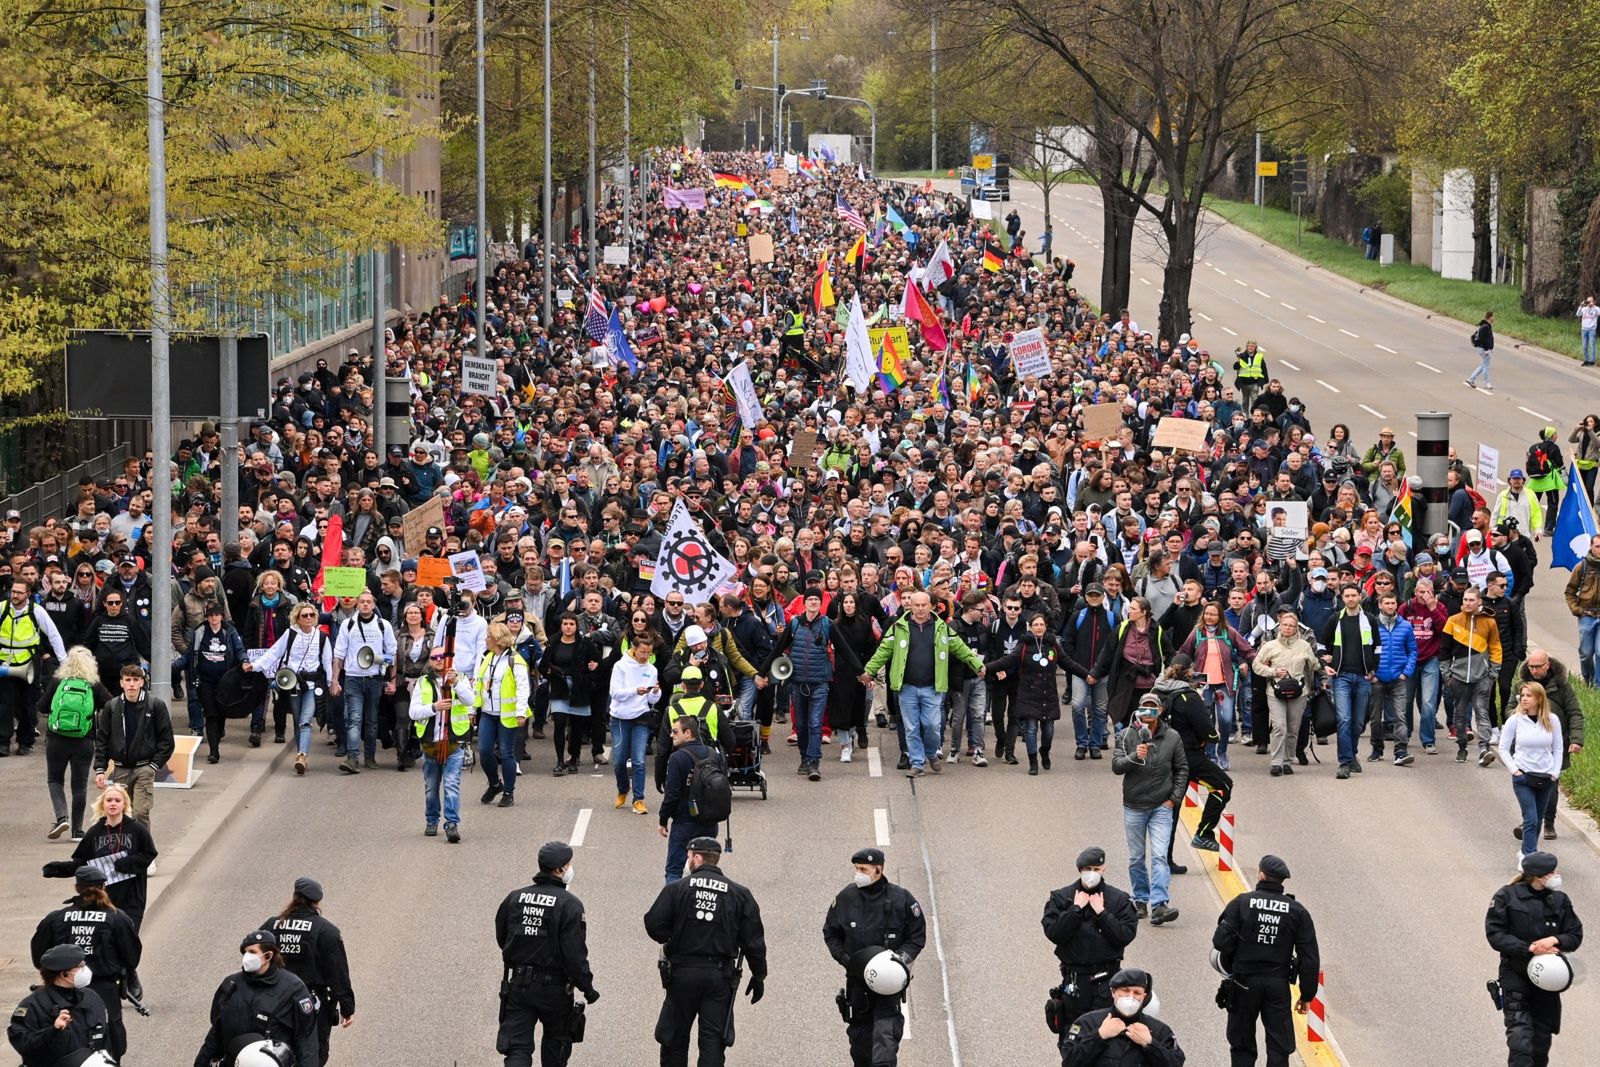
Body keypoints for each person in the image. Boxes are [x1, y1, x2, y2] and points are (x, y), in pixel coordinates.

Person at [644, 835, 768, 1067]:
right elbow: (754, 942)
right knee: (712, 1042)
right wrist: (759, 975)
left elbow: (654, 926)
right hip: (718, 978)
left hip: (682, 975)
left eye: (689, 857)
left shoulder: (676, 889)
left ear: (697, 858)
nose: (687, 861)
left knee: (674, 1038)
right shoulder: (739, 894)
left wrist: (676, 932)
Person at [494, 841, 599, 1067]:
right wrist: (587, 988)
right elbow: (574, 955)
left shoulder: (515, 898)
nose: (570, 869)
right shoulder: (570, 905)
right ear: (560, 870)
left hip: (519, 985)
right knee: (556, 1048)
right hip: (555, 991)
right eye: (568, 865)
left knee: (517, 1049)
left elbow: (503, 937)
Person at [862, 590, 986, 778]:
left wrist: (976, 664)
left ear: (931, 606)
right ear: (909, 606)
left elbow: (960, 648)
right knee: (911, 728)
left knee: (932, 725)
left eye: (924, 605)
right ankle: (917, 763)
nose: (920, 608)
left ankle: (931, 752)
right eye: (916, 605)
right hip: (907, 688)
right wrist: (869, 671)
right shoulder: (899, 627)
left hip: (932, 688)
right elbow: (883, 651)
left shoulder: (941, 628)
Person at [1212, 854, 1320, 1067]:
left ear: (1260, 875)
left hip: (1243, 983)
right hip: (1277, 986)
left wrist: (1241, 953)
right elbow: (1309, 958)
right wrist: (1307, 995)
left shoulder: (1242, 903)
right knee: (1279, 1046)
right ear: (1281, 881)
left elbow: (1220, 941)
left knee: (1242, 1044)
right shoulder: (1297, 911)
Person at [823, 846, 926, 1067]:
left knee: (885, 1049)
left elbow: (916, 937)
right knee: (861, 1049)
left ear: (878, 870)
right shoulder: (846, 898)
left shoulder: (902, 900)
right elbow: (830, 933)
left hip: (887, 988)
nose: (858, 873)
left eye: (863, 869)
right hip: (858, 986)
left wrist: (900, 961)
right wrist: (846, 960)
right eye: (856, 868)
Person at [30, 866, 140, 1062]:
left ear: (77, 888)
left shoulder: (56, 918)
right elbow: (132, 957)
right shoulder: (117, 918)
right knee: (109, 1044)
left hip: (61, 991)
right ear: (104, 887)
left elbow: (39, 957)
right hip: (104, 991)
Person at [1484, 851, 1583, 1067]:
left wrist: (1554, 939)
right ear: (1538, 876)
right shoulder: (1506, 896)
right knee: (1520, 1042)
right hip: (1516, 975)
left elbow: (1575, 935)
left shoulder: (1560, 900)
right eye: (1552, 872)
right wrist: (1528, 948)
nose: (1556, 875)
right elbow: (1495, 935)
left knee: (1540, 1043)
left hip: (1547, 982)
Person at [762, 589, 865, 782]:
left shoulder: (828, 625)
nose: (813, 603)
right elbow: (777, 650)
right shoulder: (793, 624)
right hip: (797, 682)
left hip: (819, 683)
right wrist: (760, 673)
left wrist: (861, 672)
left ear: (820, 603)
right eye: (809, 599)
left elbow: (845, 650)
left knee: (815, 724)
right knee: (800, 725)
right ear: (804, 602)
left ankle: (813, 762)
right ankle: (804, 757)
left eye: (816, 599)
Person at [1043, 846, 1140, 1041]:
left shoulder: (1119, 900)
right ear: (1080, 870)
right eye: (1088, 869)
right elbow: (1054, 933)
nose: (1092, 874)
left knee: (1108, 1038)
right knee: (1073, 1039)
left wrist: (1102, 914)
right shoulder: (1062, 898)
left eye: (1097, 869)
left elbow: (1124, 936)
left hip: (1107, 983)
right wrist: (1075, 910)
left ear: (1104, 869)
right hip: (1075, 982)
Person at [261, 877, 355, 1066]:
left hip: (273, 1001)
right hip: (311, 1005)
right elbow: (337, 971)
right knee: (312, 1054)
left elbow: (255, 957)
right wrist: (347, 1007)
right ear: (317, 902)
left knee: (271, 1054)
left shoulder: (272, 926)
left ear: (294, 897)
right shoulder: (326, 931)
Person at [193, 929, 319, 1067]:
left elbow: (306, 1040)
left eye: (252, 952)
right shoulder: (231, 984)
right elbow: (217, 1032)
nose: (247, 956)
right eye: (245, 952)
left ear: (268, 956)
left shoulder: (293, 988)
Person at [1111, 694, 1185, 925]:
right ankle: (1141, 900)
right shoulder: (1126, 735)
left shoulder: (1172, 737)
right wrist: (1135, 756)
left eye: (1153, 708)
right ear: (1138, 710)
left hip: (1161, 806)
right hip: (1133, 806)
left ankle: (1160, 905)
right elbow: (1116, 766)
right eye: (1144, 708)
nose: (1148, 712)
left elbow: (1182, 769)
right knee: (1136, 858)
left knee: (1160, 856)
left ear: (1160, 711)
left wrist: (1173, 799)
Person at [1154, 654, 1232, 852]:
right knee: (1223, 786)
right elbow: (1208, 730)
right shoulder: (1189, 697)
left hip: (1160, 755)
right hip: (1188, 755)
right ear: (1190, 671)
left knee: (1172, 808)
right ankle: (1204, 833)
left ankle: (1165, 858)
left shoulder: (1156, 691)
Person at [246, 601, 332, 775]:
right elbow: (274, 653)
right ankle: (303, 755)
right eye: (304, 615)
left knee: (306, 721)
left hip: (312, 684)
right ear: (297, 618)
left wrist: (331, 684)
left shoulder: (322, 637)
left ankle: (302, 755)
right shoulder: (290, 633)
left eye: (311, 615)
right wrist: (255, 666)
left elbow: (327, 662)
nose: (308, 618)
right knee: (298, 721)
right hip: (292, 683)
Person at [35, 646, 113, 839]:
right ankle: (77, 831)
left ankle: (62, 817)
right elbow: (111, 705)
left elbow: (42, 707)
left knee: (55, 780)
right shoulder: (94, 684)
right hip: (84, 741)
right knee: (79, 786)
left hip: (56, 739)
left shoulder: (58, 681)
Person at [91, 663, 175, 827]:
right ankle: (124, 849)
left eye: (135, 680)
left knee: (140, 813)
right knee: (120, 814)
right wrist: (100, 769)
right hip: (121, 769)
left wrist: (153, 766)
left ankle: (144, 851)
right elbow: (103, 740)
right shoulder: (112, 706)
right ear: (121, 683)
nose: (131, 684)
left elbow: (166, 740)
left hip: (145, 767)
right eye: (127, 680)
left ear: (142, 682)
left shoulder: (155, 705)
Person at [985, 609, 1065, 774]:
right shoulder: (1023, 645)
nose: (1038, 627)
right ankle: (1033, 761)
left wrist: (1088, 674)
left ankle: (1044, 751)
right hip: (1028, 694)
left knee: (1048, 732)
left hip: (1048, 694)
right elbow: (1006, 661)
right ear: (1030, 627)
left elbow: (1068, 663)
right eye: (1035, 625)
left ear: (1046, 626)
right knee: (1030, 730)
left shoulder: (1053, 645)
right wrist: (984, 668)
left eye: (1041, 624)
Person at [1515, 651, 1584, 840]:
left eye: (1538, 666)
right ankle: (1530, 820)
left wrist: (1577, 739)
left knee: (1550, 785)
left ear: (1548, 665)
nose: (1534, 670)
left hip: (1555, 744)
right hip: (1527, 746)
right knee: (1525, 784)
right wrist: (1517, 718)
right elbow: (1508, 709)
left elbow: (1574, 713)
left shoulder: (1562, 687)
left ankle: (1549, 822)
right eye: (1531, 667)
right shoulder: (1521, 687)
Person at [7, 944, 111, 1067]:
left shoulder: (91, 998)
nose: (85, 969)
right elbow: (24, 1045)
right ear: (63, 974)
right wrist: (53, 1030)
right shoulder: (33, 1005)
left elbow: (106, 1040)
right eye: (80, 966)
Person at [1057, 967, 1185, 1066]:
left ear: (1144, 997)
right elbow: (1069, 1061)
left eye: (1137, 993)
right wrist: (1099, 1036)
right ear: (1113, 992)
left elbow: (1176, 1063)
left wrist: (1150, 1044)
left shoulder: (1158, 1030)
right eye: (1125, 990)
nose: (1131, 997)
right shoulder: (1088, 1022)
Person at [408, 645, 472, 842]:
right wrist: (434, 707)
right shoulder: (422, 682)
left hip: (454, 743)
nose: (439, 660)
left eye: (443, 656)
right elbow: (413, 712)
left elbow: (470, 700)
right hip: (431, 745)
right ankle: (432, 819)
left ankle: (452, 823)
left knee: (452, 784)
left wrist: (456, 684)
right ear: (430, 660)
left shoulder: (460, 678)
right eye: (435, 657)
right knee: (431, 786)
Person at [0, 574, 68, 757]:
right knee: (4, 704)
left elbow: (54, 635)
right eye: (13, 591)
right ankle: (3, 742)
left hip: (29, 663)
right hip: (4, 663)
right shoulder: (2, 608)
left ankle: (25, 742)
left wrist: (64, 662)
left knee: (28, 704)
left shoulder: (37, 611)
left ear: (28, 594)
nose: (15, 595)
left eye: (19, 593)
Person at [330, 589, 396, 773]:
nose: (365, 604)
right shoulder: (347, 624)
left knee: (372, 720)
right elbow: (338, 654)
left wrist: (392, 680)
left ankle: (369, 756)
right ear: (357, 604)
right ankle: (352, 759)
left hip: (375, 679)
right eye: (362, 602)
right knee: (354, 719)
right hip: (353, 678)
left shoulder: (383, 625)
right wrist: (335, 680)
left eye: (369, 601)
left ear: (374, 605)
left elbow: (392, 653)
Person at [1499, 682, 1566, 858]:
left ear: (1539, 698)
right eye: (1523, 695)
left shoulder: (1553, 720)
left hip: (1546, 776)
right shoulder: (1515, 720)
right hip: (1523, 777)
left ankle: (1526, 853)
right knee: (1530, 819)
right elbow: (1503, 748)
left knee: (1538, 819)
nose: (1524, 699)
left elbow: (1558, 748)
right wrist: (1515, 770)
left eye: (1529, 695)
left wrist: (1555, 772)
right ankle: (1530, 857)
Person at [1250, 609, 1319, 776]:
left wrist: (1321, 664)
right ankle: (1276, 763)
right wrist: (1273, 672)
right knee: (1279, 727)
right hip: (1275, 692)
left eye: (1291, 626)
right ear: (1280, 626)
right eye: (1285, 625)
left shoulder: (1304, 645)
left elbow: (1314, 665)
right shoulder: (1270, 645)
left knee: (1293, 728)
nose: (1288, 628)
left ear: (1297, 628)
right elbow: (1256, 665)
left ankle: (1288, 761)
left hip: (1299, 692)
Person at [1319, 583, 1377, 780]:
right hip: (1341, 676)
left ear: (1360, 597)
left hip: (1363, 677)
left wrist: (1373, 669)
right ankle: (1344, 762)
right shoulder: (1335, 619)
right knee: (1344, 719)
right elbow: (1321, 644)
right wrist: (1324, 662)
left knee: (1358, 722)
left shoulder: (1369, 620)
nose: (1351, 599)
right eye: (1347, 596)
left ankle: (1352, 755)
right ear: (1342, 598)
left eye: (1354, 595)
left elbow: (1377, 646)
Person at [658, 715, 724, 884]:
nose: (671, 735)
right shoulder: (712, 754)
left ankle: (674, 907)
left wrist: (663, 819)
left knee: (674, 869)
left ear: (688, 733)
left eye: (675, 731)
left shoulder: (677, 758)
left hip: (684, 822)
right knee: (704, 870)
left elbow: (671, 795)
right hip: (709, 822)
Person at [1442, 586, 1503, 766]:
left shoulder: (1489, 622)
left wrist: (1492, 674)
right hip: (1458, 677)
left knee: (1481, 711)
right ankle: (1462, 746)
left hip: (1482, 677)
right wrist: (1447, 675)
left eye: (1471, 600)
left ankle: (1484, 748)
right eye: (1465, 600)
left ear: (1479, 602)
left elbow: (1495, 648)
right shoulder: (1453, 621)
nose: (1467, 603)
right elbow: (1444, 650)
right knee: (1460, 714)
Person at [476, 621, 532, 808]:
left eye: (489, 637)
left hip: (507, 714)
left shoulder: (514, 660)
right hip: (488, 712)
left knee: (507, 753)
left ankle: (509, 791)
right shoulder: (488, 657)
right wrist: (471, 709)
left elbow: (523, 688)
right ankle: (494, 784)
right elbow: (479, 684)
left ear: (498, 640)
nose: (486, 640)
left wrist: (521, 712)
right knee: (484, 751)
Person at [188, 601, 247, 763]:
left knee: (221, 713)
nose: (214, 618)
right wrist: (174, 668)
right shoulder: (200, 631)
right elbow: (190, 654)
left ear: (221, 615)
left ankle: (218, 736)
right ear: (206, 617)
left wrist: (244, 662)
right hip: (205, 680)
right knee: (211, 714)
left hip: (225, 681)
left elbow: (239, 650)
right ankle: (214, 751)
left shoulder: (229, 631)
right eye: (211, 615)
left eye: (217, 614)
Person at [611, 630, 661, 814]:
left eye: (649, 653)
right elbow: (615, 693)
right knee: (619, 761)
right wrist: (635, 691)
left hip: (641, 716)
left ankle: (638, 799)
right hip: (620, 718)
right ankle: (623, 789)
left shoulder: (652, 669)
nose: (646, 656)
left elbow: (653, 700)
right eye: (643, 652)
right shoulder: (620, 666)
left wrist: (654, 692)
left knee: (639, 760)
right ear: (634, 649)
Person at [1369, 591, 1417, 766]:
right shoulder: (1372, 624)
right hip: (1377, 678)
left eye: (1393, 603)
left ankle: (1401, 750)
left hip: (1398, 677)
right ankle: (1376, 748)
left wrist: (1406, 672)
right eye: (1387, 603)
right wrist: (1371, 673)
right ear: (1380, 605)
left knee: (1400, 715)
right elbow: (1367, 648)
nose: (1390, 606)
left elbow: (1412, 651)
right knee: (1375, 717)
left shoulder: (1405, 626)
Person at [1562, 533, 1600, 686]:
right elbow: (1570, 592)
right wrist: (1576, 610)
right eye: (1598, 546)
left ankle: (1597, 686)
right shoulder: (1582, 567)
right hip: (1586, 615)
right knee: (1586, 653)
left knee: (1599, 652)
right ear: (1591, 547)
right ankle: (1588, 679)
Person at [1467, 309, 1495, 392]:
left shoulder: (1484, 325)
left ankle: (1471, 379)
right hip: (1483, 349)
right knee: (1486, 367)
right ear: (1490, 317)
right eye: (1493, 316)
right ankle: (1487, 382)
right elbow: (1483, 339)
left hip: (1483, 348)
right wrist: (1487, 349)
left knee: (1483, 366)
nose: (1494, 318)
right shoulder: (1485, 327)